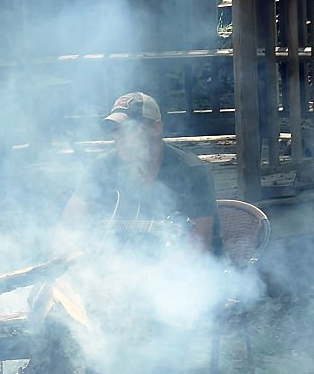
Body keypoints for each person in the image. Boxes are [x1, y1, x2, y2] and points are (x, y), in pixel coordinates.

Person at [60, 91, 222, 255]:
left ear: (156, 128)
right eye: (115, 130)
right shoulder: (102, 167)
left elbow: (196, 251)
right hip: (118, 270)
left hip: (183, 275)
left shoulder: (191, 172)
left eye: (129, 129)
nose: (119, 137)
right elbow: (70, 225)